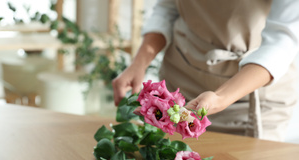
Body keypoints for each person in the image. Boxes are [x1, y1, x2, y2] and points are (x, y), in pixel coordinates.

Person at [112, 0, 299, 141]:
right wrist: (139, 63)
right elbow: (168, 8)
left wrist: (220, 98)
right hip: (182, 79)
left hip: (253, 92)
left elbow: (282, 43)